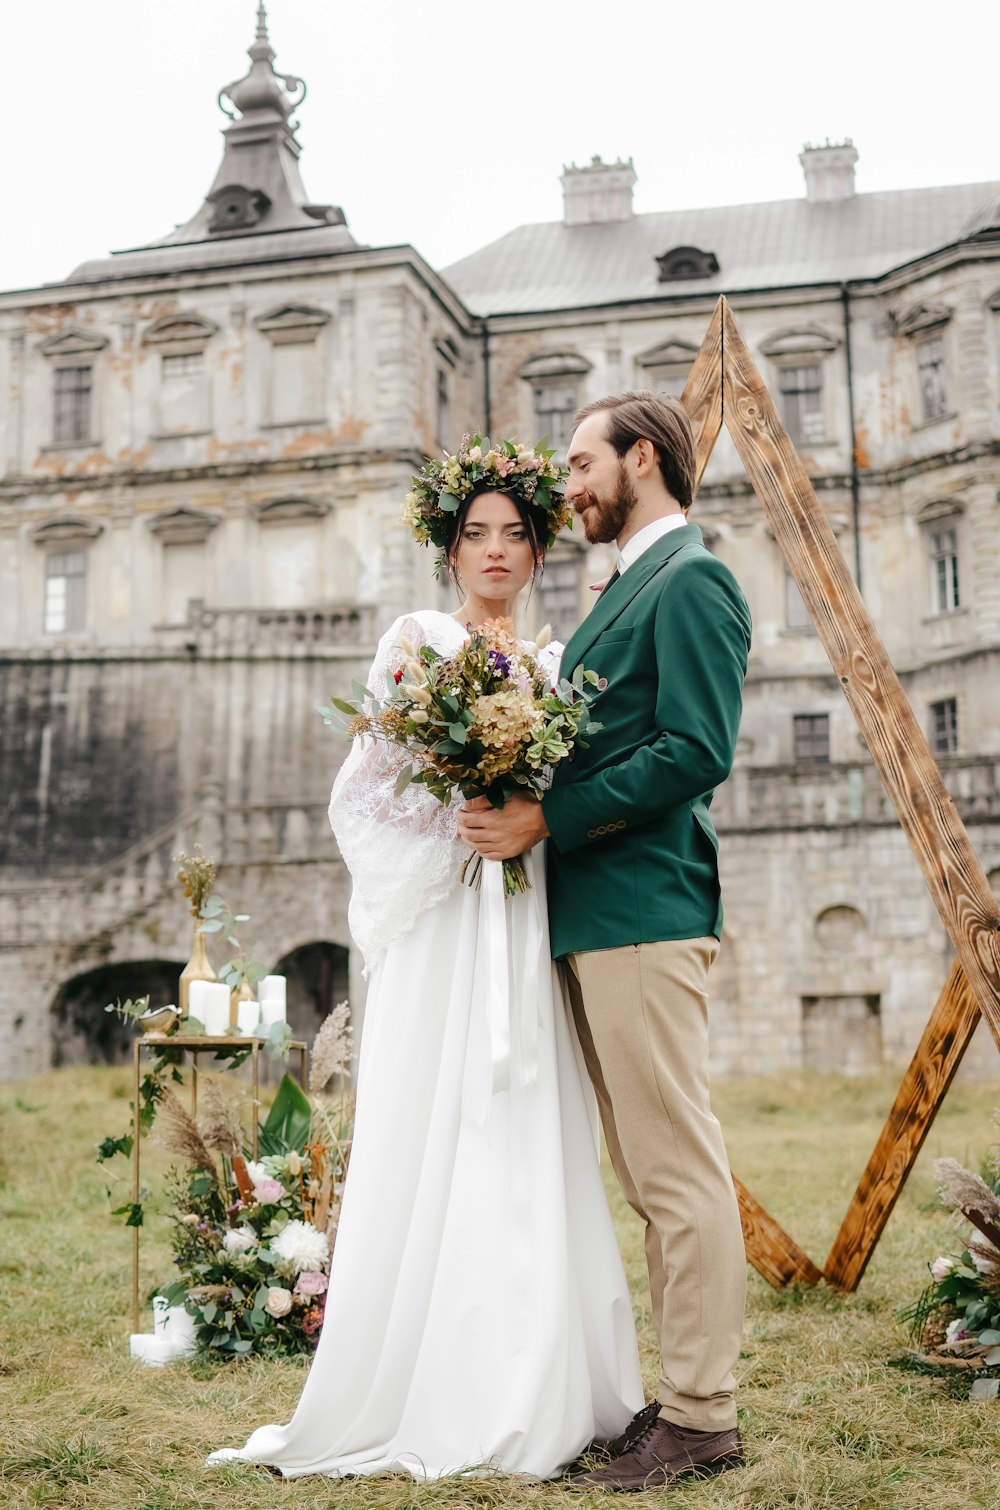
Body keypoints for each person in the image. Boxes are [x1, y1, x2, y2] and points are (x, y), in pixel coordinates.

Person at [207, 438, 644, 1481]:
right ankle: (436, 1381)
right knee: (445, 1119)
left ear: (539, 547)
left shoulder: (549, 661)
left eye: (515, 534)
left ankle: (542, 1375)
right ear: (449, 547)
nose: (495, 551)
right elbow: (361, 794)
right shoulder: (416, 639)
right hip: (447, 925)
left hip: (520, 918)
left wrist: (524, 817)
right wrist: (463, 820)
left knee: (527, 1120)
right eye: (475, 533)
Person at [458, 392, 752, 1492]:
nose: (566, 485)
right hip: (591, 914)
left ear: (642, 457)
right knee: (645, 1169)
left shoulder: (695, 580)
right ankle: (677, 1399)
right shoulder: (625, 587)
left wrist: (545, 818)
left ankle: (703, 1415)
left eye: (582, 463)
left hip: (643, 910)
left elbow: (694, 750)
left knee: (676, 1170)